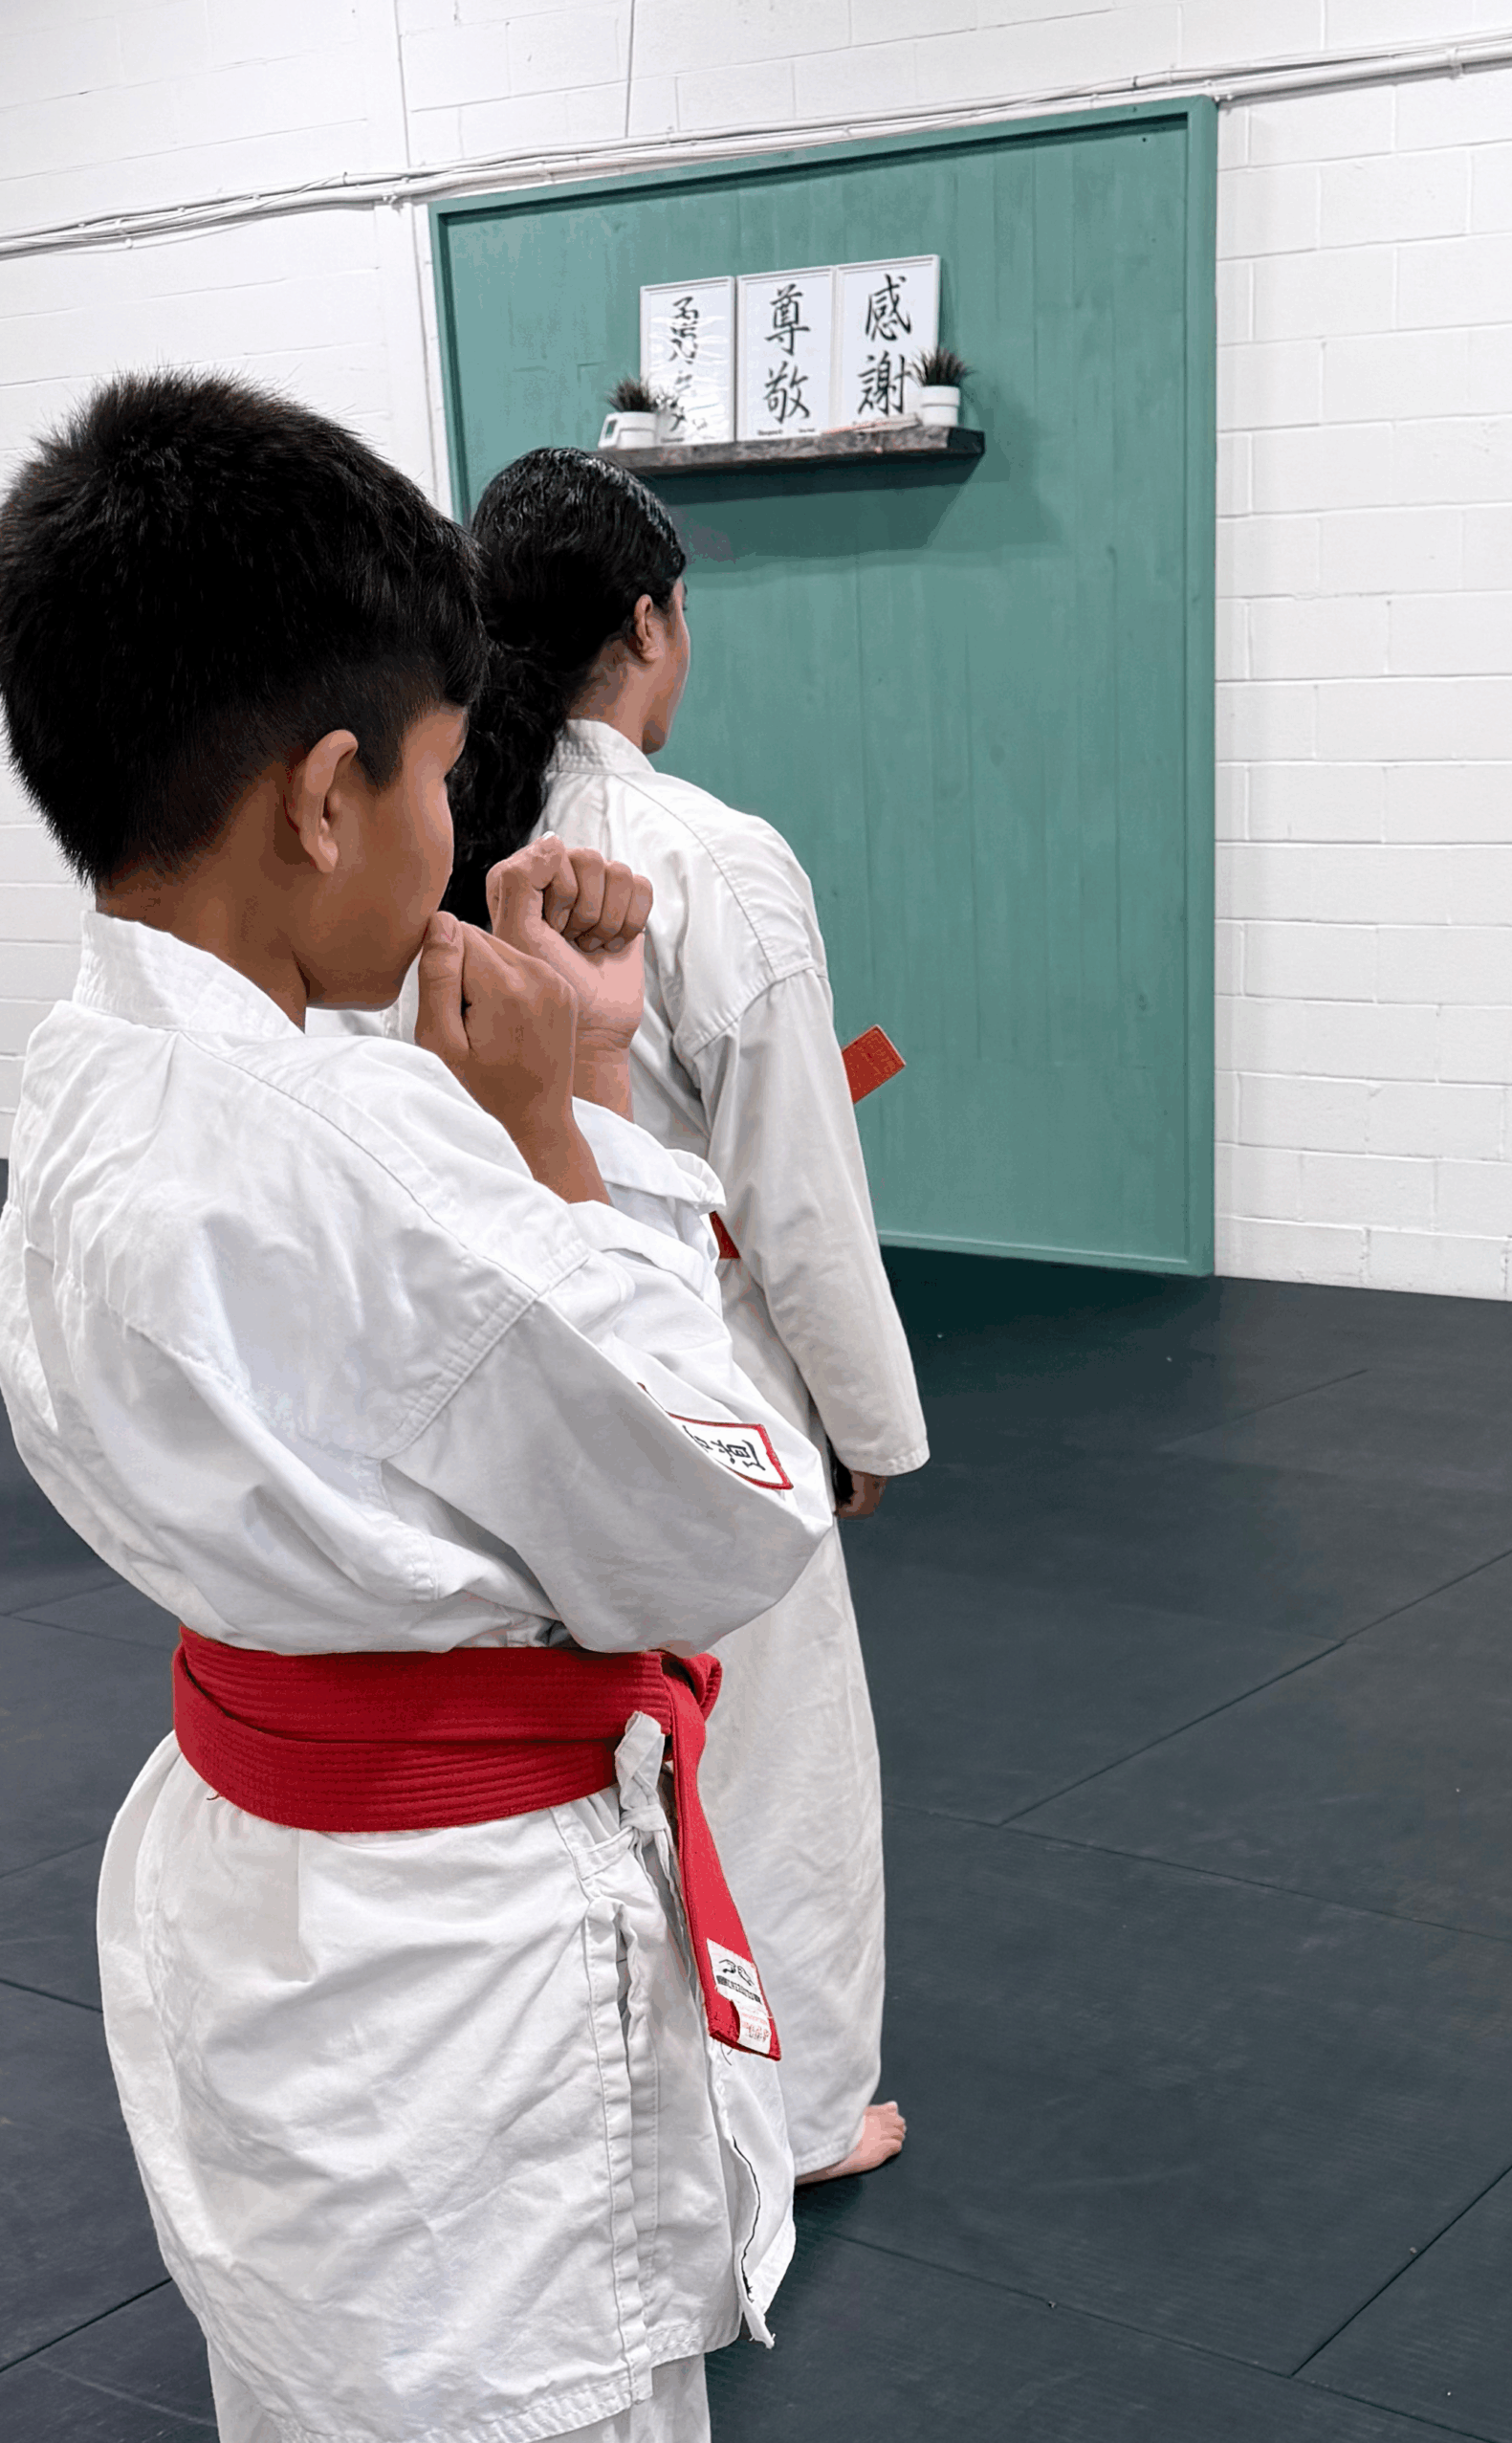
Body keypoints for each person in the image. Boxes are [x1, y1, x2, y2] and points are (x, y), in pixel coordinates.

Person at [0, 371, 847, 2443]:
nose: (456, 840)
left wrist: (478, 1090)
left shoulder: (80, 1072)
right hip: (458, 1980)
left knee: (314, 2388)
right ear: (320, 799)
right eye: (445, 782)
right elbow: (727, 1510)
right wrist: (563, 1119)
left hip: (258, 1907)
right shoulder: (380, 1178)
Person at [445, 446, 927, 2186]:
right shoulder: (704, 853)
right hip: (689, 1351)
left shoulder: (445, 833)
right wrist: (866, 1432)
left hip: (488, 1372)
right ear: (649, 624)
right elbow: (797, 1196)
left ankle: (582, 2102)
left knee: (556, 1755)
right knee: (770, 1749)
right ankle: (792, 2120)